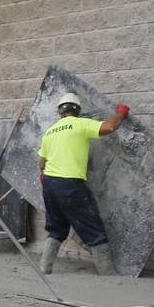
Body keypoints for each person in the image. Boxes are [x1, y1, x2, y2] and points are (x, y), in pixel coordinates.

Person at [38, 92, 129, 276]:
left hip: (49, 184)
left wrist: (45, 177)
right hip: (69, 184)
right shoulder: (80, 124)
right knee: (92, 226)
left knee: (56, 228)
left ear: (60, 111)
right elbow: (110, 127)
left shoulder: (50, 131)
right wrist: (121, 113)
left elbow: (41, 163)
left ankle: (44, 269)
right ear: (77, 110)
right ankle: (108, 274)